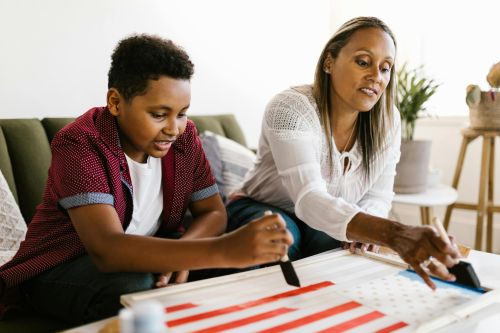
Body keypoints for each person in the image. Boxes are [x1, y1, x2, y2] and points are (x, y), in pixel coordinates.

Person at [0, 34, 292, 325]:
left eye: (182, 114)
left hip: (149, 251)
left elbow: (214, 212)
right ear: (115, 102)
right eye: (159, 114)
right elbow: (107, 249)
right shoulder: (79, 143)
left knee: (244, 269)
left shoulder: (185, 137)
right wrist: (219, 250)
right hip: (59, 266)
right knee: (132, 287)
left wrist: (183, 257)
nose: (174, 128)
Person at [227, 16, 460, 289]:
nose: (376, 76)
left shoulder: (388, 120)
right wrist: (393, 233)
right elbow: (309, 198)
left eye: (386, 68)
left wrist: (368, 233)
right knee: (281, 237)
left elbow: (378, 196)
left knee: (351, 252)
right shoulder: (290, 109)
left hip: (322, 218)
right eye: (363, 62)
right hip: (261, 207)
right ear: (329, 62)